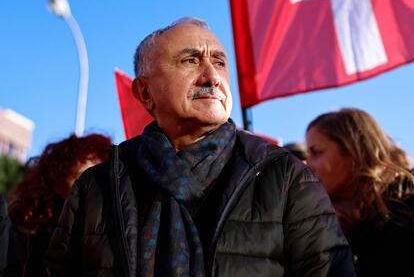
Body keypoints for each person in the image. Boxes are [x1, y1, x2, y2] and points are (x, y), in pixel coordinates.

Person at [42, 17, 355, 277]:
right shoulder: (96, 187)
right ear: (145, 91)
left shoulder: (285, 177)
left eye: (219, 62)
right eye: (190, 60)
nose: (212, 77)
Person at [306, 108, 414, 276]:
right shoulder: (338, 221)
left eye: (317, 152)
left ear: (354, 151)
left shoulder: (406, 205)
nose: (308, 164)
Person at [7, 133, 112, 277]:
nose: (91, 186)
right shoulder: (27, 230)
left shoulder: (106, 231)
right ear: (57, 176)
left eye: (99, 180)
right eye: (81, 176)